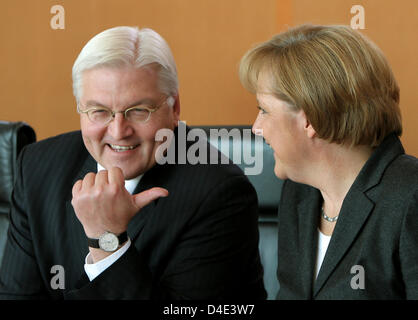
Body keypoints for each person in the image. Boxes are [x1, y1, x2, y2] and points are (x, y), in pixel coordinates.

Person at [0, 26, 266, 299]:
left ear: (174, 108)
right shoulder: (37, 167)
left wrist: (107, 241)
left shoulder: (219, 193)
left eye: (138, 111)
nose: (118, 131)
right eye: (99, 111)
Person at [239, 24, 418, 299]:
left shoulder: (410, 197)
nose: (256, 127)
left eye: (264, 110)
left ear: (310, 119)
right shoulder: (300, 194)